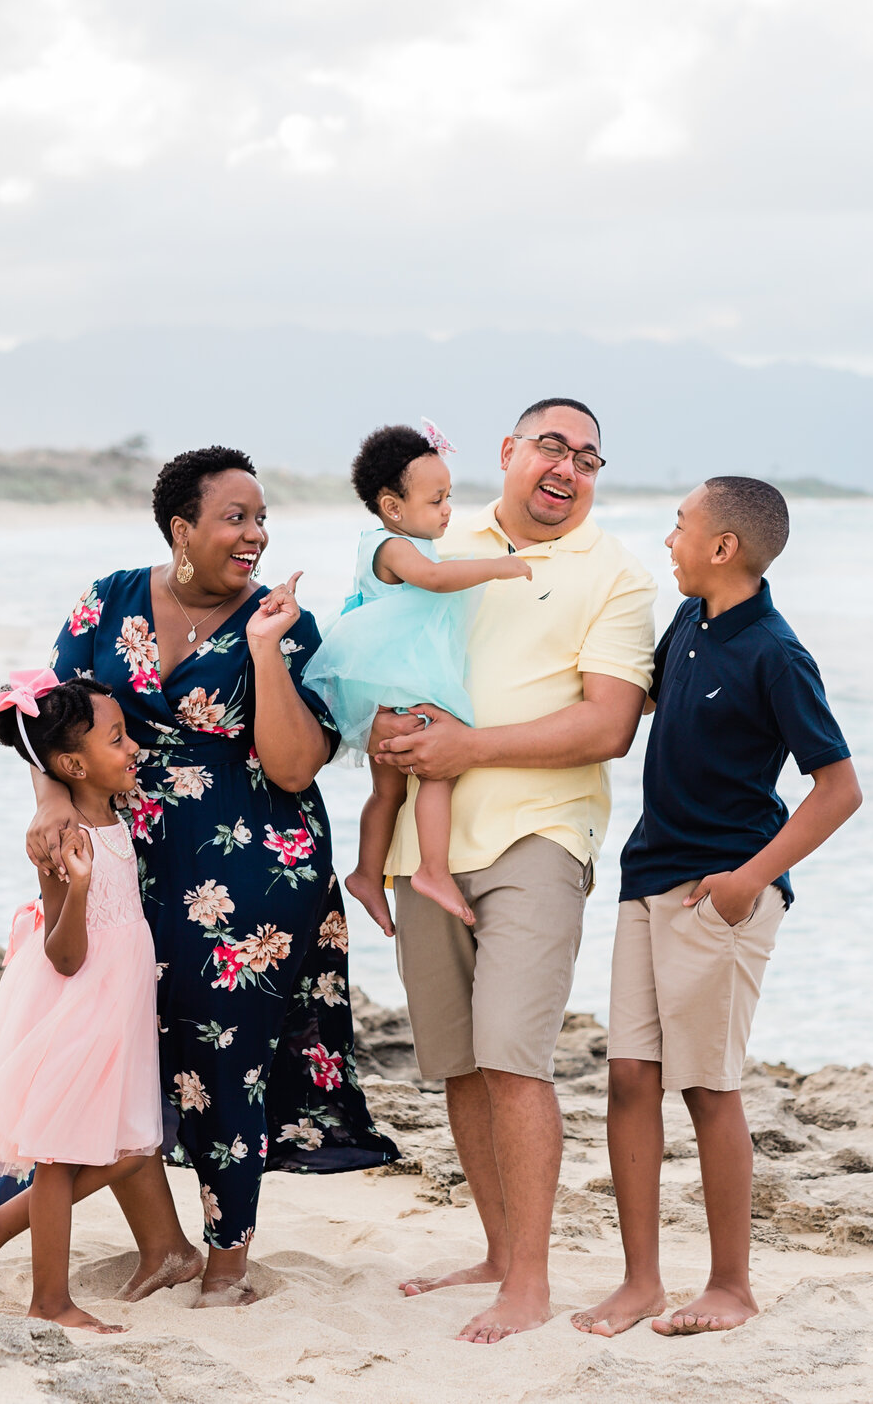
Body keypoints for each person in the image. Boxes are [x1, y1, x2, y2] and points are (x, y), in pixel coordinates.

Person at [26, 445, 396, 1308]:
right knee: (122, 1041)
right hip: (126, 856)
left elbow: (299, 766)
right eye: (236, 517)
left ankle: (226, 1260)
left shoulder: (282, 621)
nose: (256, 534)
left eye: (263, 518)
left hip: (256, 871)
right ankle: (163, 1246)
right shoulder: (108, 599)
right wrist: (50, 800)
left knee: (225, 1057)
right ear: (181, 527)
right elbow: (42, 716)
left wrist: (266, 650)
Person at [370, 398, 657, 1342]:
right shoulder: (439, 535)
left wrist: (469, 750)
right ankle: (496, 1250)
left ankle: (527, 1282)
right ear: (510, 451)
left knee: (512, 1056)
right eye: (551, 445)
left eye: (587, 455)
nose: (567, 466)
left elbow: (610, 724)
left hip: (541, 835)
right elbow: (382, 644)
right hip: (427, 844)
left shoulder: (612, 571)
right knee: (457, 1063)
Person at [572, 478, 862, 1339]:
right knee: (629, 1074)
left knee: (708, 1088)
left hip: (719, 893)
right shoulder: (690, 621)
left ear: (724, 546)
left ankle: (731, 1286)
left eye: (681, 525)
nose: (670, 539)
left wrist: (750, 878)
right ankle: (640, 1281)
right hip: (646, 872)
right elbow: (639, 699)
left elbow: (838, 788)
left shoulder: (777, 651)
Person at [0, 672, 163, 1331]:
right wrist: (81, 880)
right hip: (78, 1002)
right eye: (118, 738)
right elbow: (63, 952)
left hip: (116, 1001)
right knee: (64, 1153)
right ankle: (49, 1299)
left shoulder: (110, 813)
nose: (134, 748)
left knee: (125, 1148)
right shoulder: (66, 839)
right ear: (72, 764)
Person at [304, 421, 533, 934]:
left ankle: (366, 873)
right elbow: (434, 580)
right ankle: (432, 869)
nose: (447, 509)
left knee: (388, 792)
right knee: (437, 772)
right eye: (436, 501)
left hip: (383, 689)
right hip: (401, 687)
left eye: (448, 497)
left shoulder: (396, 542)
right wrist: (496, 566)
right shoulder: (391, 547)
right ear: (393, 507)